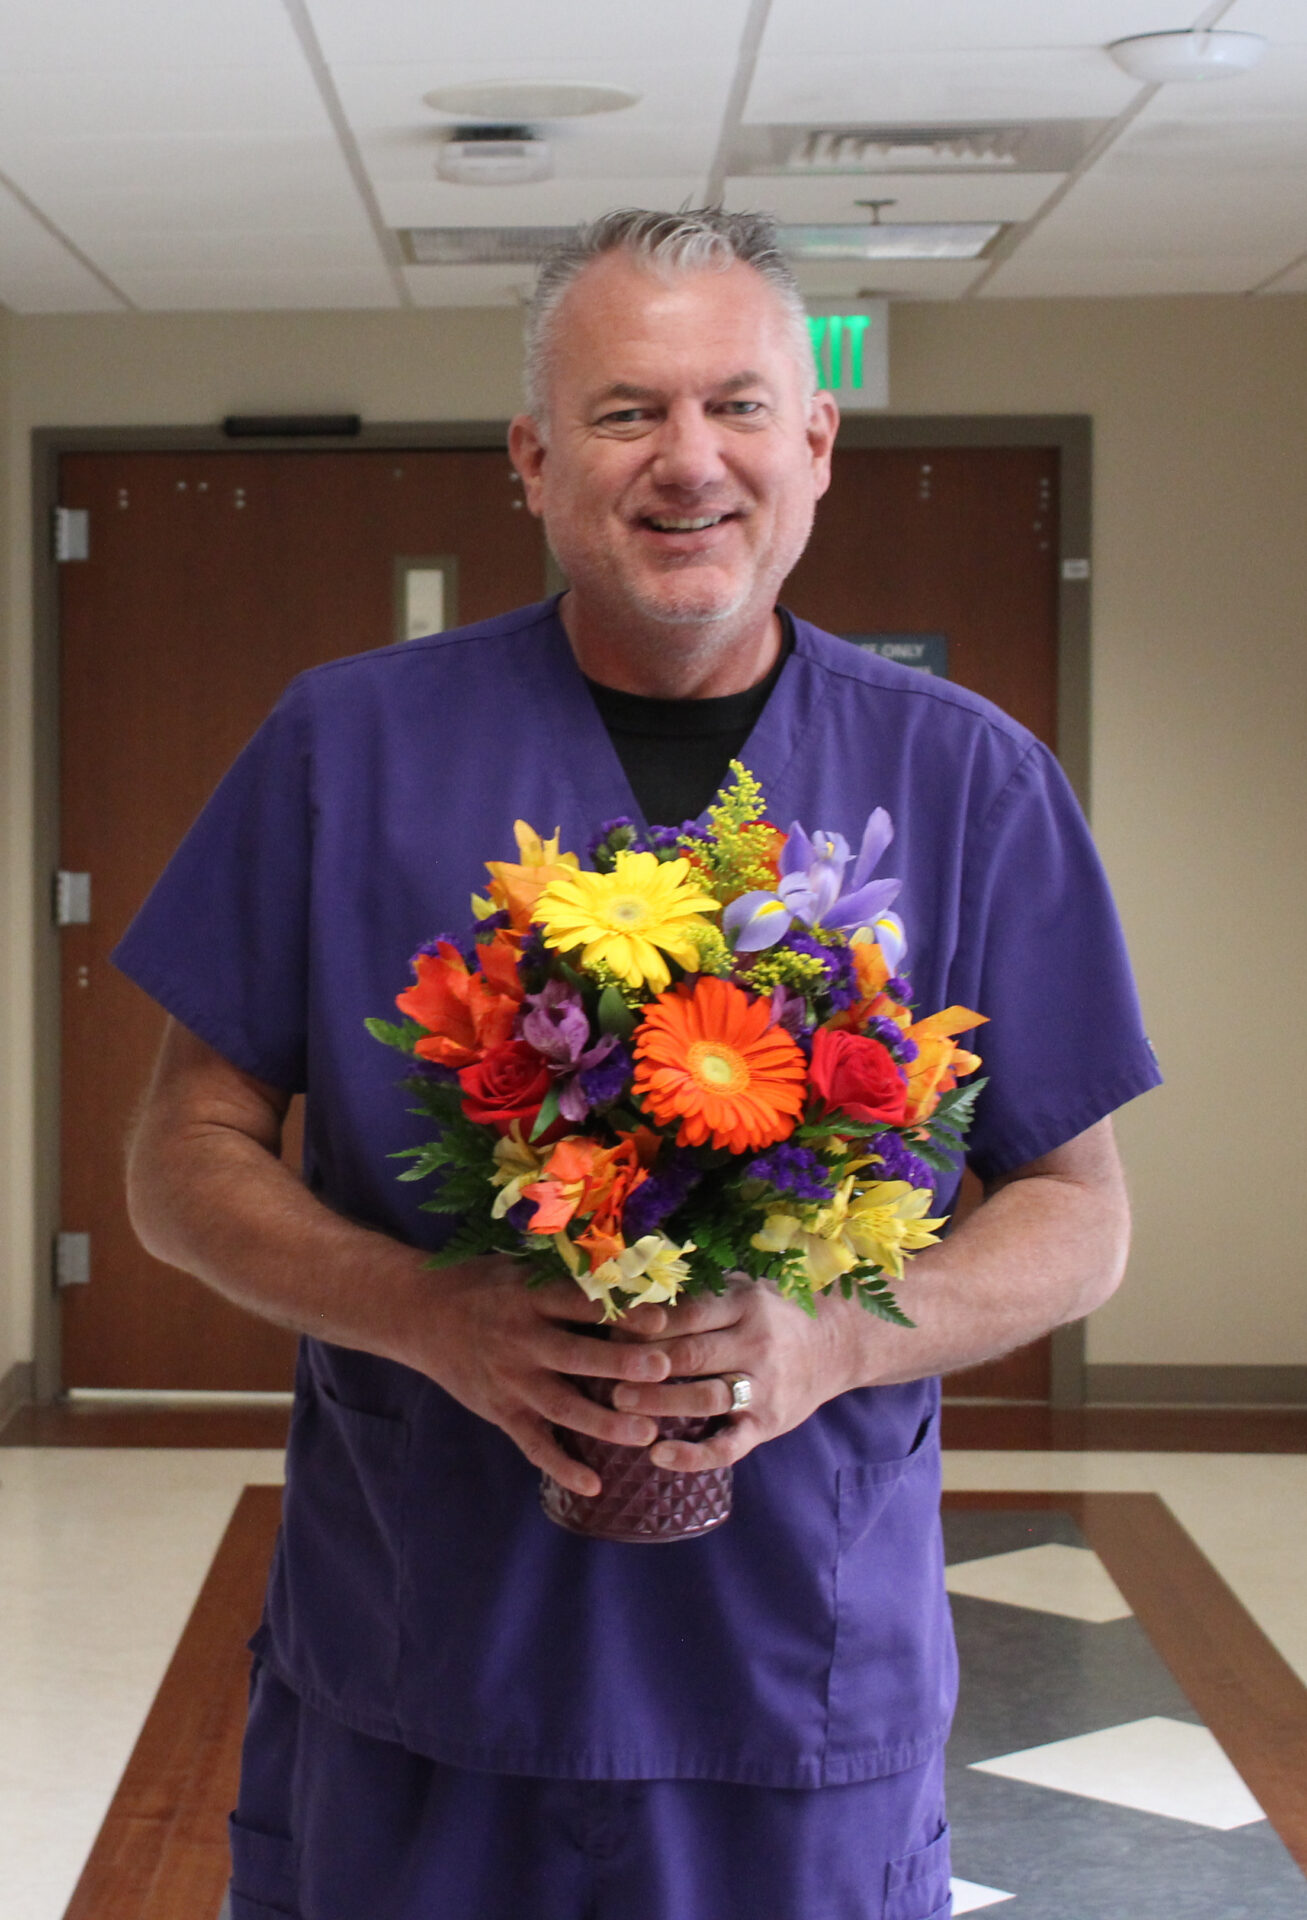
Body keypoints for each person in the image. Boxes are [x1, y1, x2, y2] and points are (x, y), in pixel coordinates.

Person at [117, 209, 1160, 1920]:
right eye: (624, 413)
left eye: (741, 407)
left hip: (797, 1678)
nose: (692, 463)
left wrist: (825, 1345)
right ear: (532, 459)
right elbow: (183, 1153)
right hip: (423, 1654)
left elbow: (1078, 1207)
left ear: (817, 445)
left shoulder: (972, 782)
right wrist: (426, 1312)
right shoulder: (346, 744)